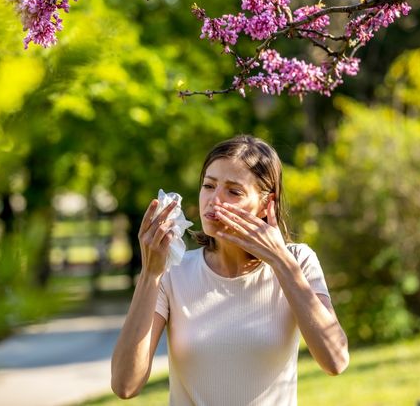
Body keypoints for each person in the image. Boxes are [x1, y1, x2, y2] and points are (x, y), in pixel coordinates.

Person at [111, 135, 349, 405]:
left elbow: (335, 361)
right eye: (209, 186)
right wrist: (149, 274)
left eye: (233, 191)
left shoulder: (298, 261)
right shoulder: (173, 272)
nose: (214, 200)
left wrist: (281, 261)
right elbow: (124, 384)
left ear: (265, 204)